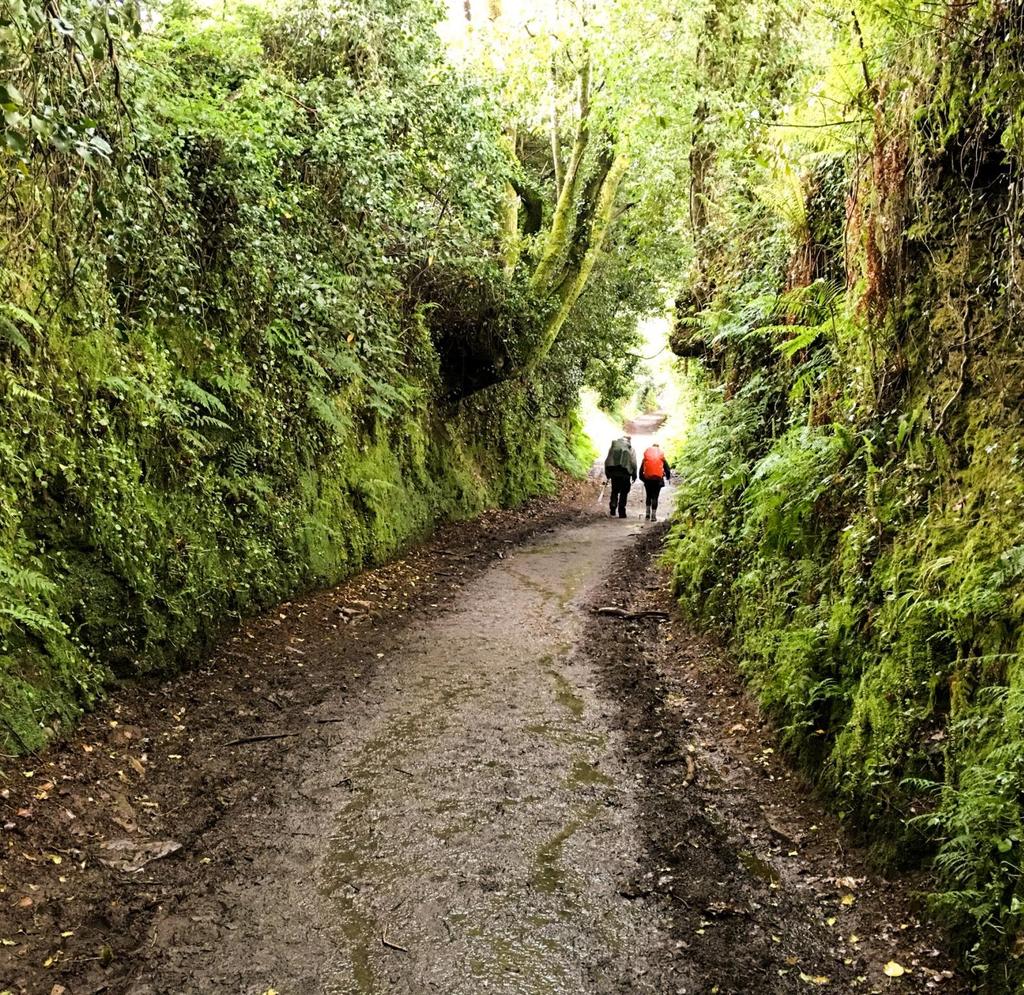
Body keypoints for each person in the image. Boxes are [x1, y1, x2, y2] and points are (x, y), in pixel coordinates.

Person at [604, 435, 637, 518]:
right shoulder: (631, 449)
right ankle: (622, 511)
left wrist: (608, 474)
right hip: (625, 474)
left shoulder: (613, 448)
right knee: (624, 492)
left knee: (614, 490)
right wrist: (634, 475)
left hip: (614, 473)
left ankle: (613, 507)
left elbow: (608, 461)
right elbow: (633, 463)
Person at [638, 442, 672, 521]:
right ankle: (653, 515)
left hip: (648, 480)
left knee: (648, 496)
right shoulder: (661, 457)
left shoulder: (647, 457)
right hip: (658, 480)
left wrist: (643, 478)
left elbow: (641, 470)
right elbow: (667, 469)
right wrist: (667, 477)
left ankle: (647, 514)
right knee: (655, 497)